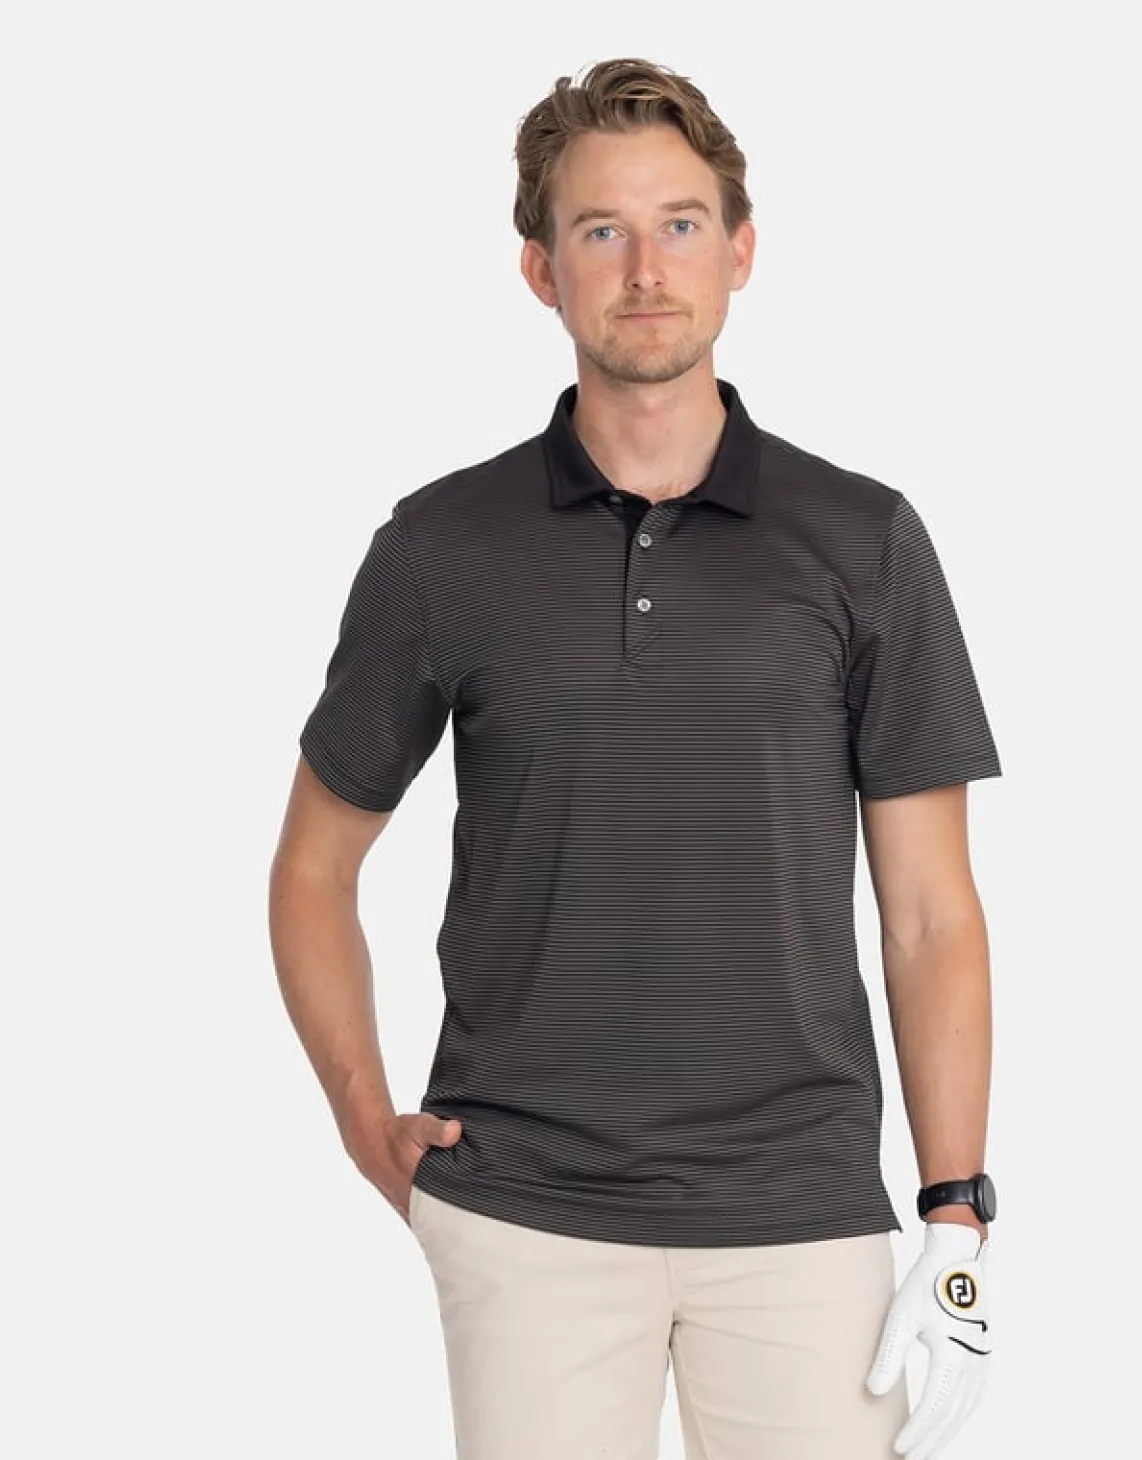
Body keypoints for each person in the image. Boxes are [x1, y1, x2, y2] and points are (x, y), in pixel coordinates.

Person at [269, 55, 1002, 1460]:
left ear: (740, 252)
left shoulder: (864, 544)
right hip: (524, 1212)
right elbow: (313, 868)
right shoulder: (440, 549)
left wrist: (957, 1214)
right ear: (541, 270)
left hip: (800, 1217)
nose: (646, 269)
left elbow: (930, 912)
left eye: (680, 224)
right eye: (602, 230)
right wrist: (366, 1122)